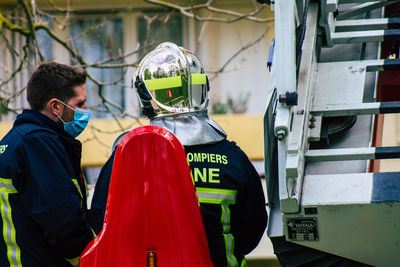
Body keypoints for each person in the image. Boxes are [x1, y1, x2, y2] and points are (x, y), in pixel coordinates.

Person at [89, 42, 268, 267]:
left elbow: (99, 223)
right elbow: (253, 226)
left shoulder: (125, 159)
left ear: (147, 95)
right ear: (201, 88)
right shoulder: (233, 158)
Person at [0, 62, 94, 266]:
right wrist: (94, 256)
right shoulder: (38, 144)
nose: (86, 110)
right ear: (56, 106)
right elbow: (64, 225)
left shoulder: (17, 140)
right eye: (79, 104)